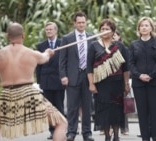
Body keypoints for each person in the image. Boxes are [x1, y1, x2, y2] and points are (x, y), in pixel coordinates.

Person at [0, 22, 68, 141]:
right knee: (62, 123)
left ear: (7, 36)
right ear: (23, 36)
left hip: (7, 94)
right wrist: (49, 53)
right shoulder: (31, 53)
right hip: (28, 94)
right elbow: (44, 58)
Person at [87, 18, 130, 141]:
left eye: (107, 29)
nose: (104, 31)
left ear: (113, 31)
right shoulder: (94, 46)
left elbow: (126, 67)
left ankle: (116, 136)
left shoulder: (119, 46)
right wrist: (91, 84)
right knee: (104, 110)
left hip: (117, 83)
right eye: (102, 29)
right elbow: (89, 67)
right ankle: (107, 136)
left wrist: (126, 83)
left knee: (116, 110)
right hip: (101, 84)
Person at [59, 11, 95, 141]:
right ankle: (71, 132)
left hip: (87, 76)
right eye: (78, 22)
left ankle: (87, 133)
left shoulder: (92, 37)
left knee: (87, 106)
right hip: (72, 77)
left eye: (83, 22)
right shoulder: (67, 38)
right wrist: (63, 75)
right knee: (72, 107)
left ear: (86, 23)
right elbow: (62, 60)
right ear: (74, 23)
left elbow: (95, 59)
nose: (81, 24)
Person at [129, 17, 156, 141]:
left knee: (155, 112)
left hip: (155, 83)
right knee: (142, 113)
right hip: (139, 84)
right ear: (138, 28)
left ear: (151, 28)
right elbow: (131, 63)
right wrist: (139, 75)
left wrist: (151, 75)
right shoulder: (134, 44)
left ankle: (155, 137)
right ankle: (145, 138)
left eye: (146, 25)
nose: (144, 27)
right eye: (142, 26)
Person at [36, 22, 66, 140]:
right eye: (47, 30)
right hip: (46, 81)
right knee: (49, 108)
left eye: (50, 29)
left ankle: (61, 131)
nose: (48, 31)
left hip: (58, 80)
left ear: (56, 31)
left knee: (59, 107)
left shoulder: (62, 44)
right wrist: (39, 82)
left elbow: (64, 62)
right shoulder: (41, 45)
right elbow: (38, 65)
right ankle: (52, 131)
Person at [113, 30, 129, 136]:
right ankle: (109, 128)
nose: (113, 37)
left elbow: (126, 67)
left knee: (121, 106)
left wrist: (126, 83)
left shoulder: (123, 48)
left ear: (119, 37)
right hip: (107, 81)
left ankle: (123, 127)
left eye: (115, 35)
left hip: (120, 80)